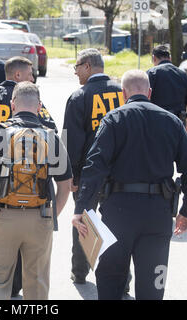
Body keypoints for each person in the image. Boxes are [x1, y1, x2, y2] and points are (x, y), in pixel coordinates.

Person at [73, 70, 187, 300]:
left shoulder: (113, 119)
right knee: (152, 287)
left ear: (123, 94)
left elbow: (94, 168)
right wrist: (186, 211)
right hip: (158, 215)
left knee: (110, 281)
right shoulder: (172, 121)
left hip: (118, 213)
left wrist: (82, 209)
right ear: (150, 93)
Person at [0, 82, 72, 300]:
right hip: (40, 217)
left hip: (3, 216)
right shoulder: (51, 136)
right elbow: (65, 185)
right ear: (39, 107)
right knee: (37, 282)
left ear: (12, 105)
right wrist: (51, 216)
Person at [63, 48, 124, 285]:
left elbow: (71, 141)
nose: (76, 72)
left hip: (88, 172)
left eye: (77, 67)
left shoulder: (80, 96)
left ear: (87, 66)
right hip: (120, 171)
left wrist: (71, 175)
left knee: (84, 220)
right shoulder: (123, 91)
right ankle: (121, 277)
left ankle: (80, 271)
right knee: (118, 224)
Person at [147, 45, 187, 134]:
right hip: (178, 124)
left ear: (154, 58)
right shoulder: (184, 75)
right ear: (170, 58)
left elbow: (145, 99)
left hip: (156, 124)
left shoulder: (151, 74)